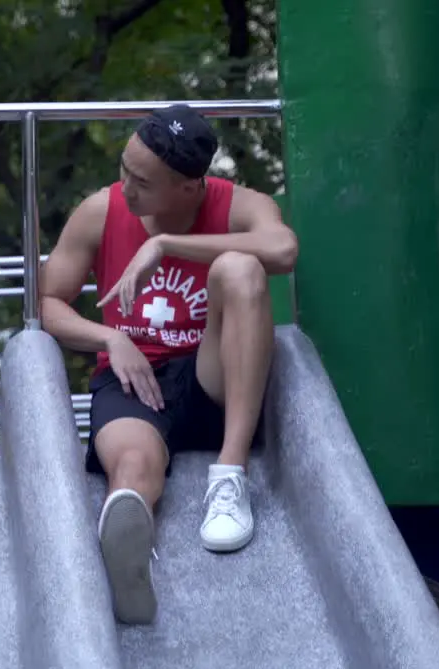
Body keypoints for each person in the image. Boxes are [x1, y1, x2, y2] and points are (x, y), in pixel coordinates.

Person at [39, 104, 298, 624]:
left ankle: (230, 475)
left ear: (188, 186)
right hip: (131, 379)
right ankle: (128, 557)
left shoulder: (238, 205)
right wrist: (110, 336)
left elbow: (284, 249)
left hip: (211, 376)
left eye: (142, 182)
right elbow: (48, 306)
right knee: (131, 468)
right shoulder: (101, 210)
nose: (126, 188)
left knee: (241, 269)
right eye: (123, 170)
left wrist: (165, 244)